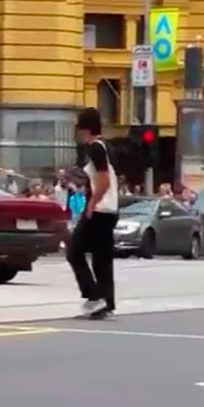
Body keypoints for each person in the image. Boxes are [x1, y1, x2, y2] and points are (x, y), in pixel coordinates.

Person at [67, 107, 119, 320]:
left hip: (100, 209)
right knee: (102, 258)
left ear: (85, 129)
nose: (78, 133)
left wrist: (91, 204)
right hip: (110, 210)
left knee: (75, 250)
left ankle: (94, 296)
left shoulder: (95, 148)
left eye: (79, 128)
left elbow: (104, 179)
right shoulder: (105, 147)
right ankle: (106, 301)